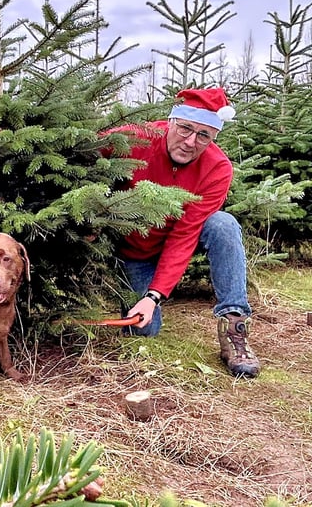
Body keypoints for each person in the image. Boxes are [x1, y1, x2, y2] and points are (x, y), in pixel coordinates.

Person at [109, 88, 261, 378]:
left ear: (213, 137)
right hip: (132, 249)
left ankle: (235, 328)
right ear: (171, 122)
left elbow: (184, 235)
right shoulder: (135, 138)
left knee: (223, 224)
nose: (191, 142)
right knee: (143, 331)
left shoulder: (217, 168)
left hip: (175, 242)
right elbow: (83, 151)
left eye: (204, 135)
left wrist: (153, 297)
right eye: (185, 128)